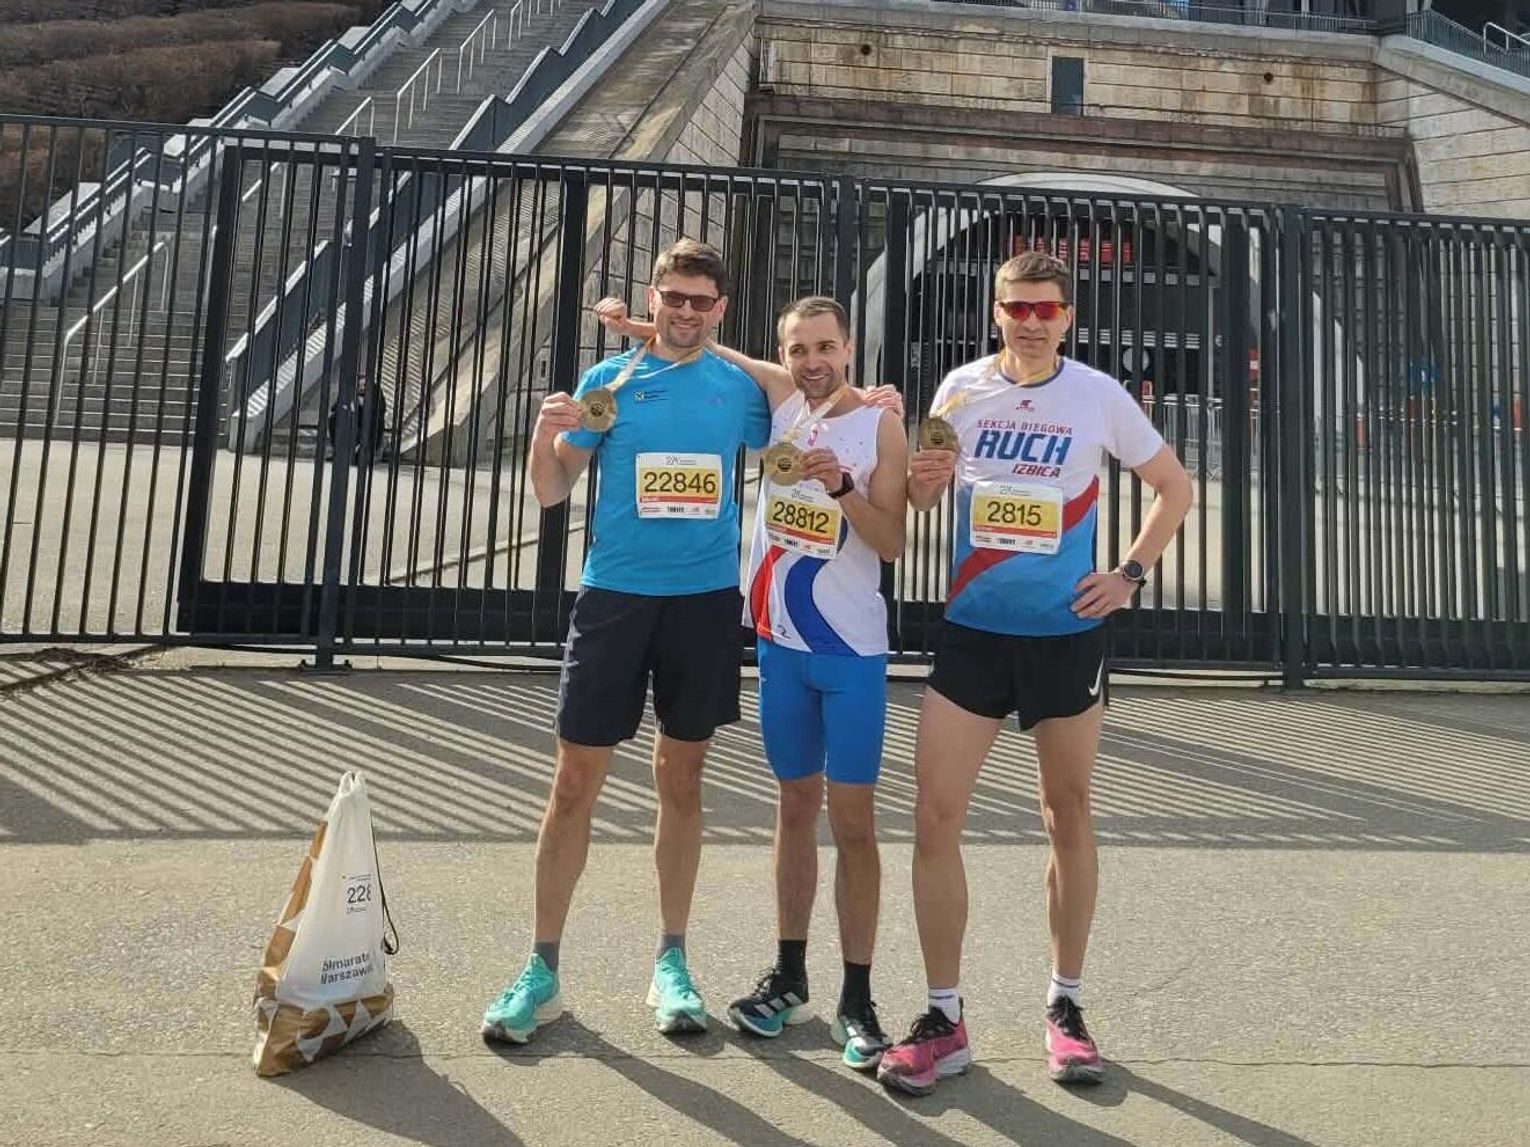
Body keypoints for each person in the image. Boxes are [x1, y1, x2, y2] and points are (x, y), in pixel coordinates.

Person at [876, 251, 1193, 1097]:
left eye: (1045, 309)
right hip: (974, 633)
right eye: (1015, 308)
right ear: (996, 313)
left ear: (1067, 318)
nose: (1029, 322)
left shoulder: (1097, 393)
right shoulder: (960, 389)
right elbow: (922, 497)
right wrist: (923, 479)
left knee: (1067, 813)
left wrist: (1127, 575)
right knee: (934, 812)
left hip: (1066, 635)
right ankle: (943, 1017)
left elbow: (1173, 486)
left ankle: (1066, 1005)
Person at [593, 295, 907, 1071]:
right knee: (793, 808)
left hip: (850, 650)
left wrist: (844, 489)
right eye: (799, 349)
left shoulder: (880, 423)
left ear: (849, 348)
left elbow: (894, 541)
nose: (813, 361)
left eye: (826, 347)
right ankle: (790, 974)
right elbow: (715, 346)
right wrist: (642, 330)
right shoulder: (780, 403)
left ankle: (859, 995)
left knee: (854, 822)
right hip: (778, 645)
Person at [479, 238, 771, 1044]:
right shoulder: (608, 383)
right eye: (673, 297)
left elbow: (806, 402)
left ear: (719, 309)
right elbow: (551, 488)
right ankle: (540, 969)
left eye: (700, 301)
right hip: (614, 597)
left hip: (702, 603)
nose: (685, 312)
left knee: (682, 779)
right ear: (654, 296)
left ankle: (672, 960)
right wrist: (544, 434)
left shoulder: (736, 389)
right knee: (574, 781)